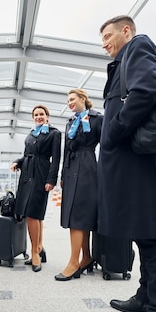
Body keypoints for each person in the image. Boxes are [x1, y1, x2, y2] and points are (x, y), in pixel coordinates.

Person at [97, 15, 156, 312]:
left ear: (126, 31)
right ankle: (146, 297)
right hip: (128, 163)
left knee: (153, 236)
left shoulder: (138, 45)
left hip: (137, 162)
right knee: (141, 232)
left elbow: (146, 92)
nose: (104, 43)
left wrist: (113, 133)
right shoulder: (122, 60)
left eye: (108, 35)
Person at [55, 89, 103, 281]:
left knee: (79, 215)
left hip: (87, 168)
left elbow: (106, 145)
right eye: (68, 101)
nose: (70, 103)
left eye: (72, 99)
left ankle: (74, 262)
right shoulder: (70, 122)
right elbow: (66, 149)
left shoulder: (97, 118)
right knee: (76, 215)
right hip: (71, 168)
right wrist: (62, 174)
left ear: (83, 99)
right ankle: (86, 257)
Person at [10, 105, 61, 272]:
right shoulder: (31, 133)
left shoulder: (54, 133)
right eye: (36, 115)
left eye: (42, 114)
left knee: (34, 212)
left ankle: (35, 252)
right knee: (33, 214)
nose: (39, 117)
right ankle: (39, 247)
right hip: (26, 174)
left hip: (41, 174)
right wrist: (18, 162)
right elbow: (26, 155)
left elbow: (56, 158)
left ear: (47, 116)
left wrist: (51, 179)